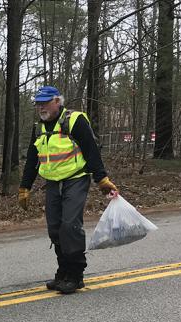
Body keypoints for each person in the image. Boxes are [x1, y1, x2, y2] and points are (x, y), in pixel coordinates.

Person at [18, 86, 118, 294]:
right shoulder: (39, 128)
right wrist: (24, 187)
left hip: (76, 179)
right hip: (53, 182)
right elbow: (31, 159)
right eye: (38, 103)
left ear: (57, 102)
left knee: (70, 225)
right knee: (54, 228)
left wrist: (102, 180)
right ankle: (63, 270)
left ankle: (75, 274)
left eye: (45, 102)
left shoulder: (75, 120)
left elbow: (91, 150)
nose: (41, 107)